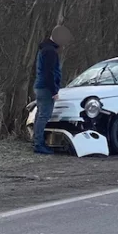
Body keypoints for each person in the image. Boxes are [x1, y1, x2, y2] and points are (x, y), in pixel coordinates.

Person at [32, 25, 73, 155]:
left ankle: (37, 141)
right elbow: (49, 72)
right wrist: (54, 90)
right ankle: (39, 144)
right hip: (46, 88)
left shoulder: (44, 49)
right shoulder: (50, 51)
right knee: (44, 115)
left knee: (40, 115)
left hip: (41, 86)